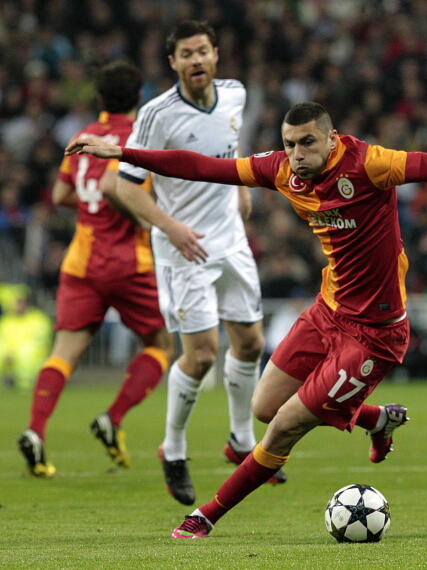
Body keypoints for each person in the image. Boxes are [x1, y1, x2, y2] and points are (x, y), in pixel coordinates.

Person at [66, 100, 427, 538]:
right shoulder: (281, 170)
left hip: (375, 335)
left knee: (282, 427)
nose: (297, 153)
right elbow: (201, 167)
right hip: (328, 311)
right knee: (263, 406)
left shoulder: (372, 164)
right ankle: (377, 418)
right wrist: (124, 153)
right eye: (289, 144)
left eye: (307, 143)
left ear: (331, 139)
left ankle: (206, 516)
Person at [114, 20, 282, 505]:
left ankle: (241, 440)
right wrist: (172, 228)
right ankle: (173, 448)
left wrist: (242, 187)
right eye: (186, 54)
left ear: (215, 54)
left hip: (230, 241)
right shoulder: (156, 114)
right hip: (182, 250)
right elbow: (126, 186)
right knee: (203, 353)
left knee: (250, 343)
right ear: (173, 63)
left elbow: (230, 147)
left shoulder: (235, 94)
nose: (196, 61)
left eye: (202, 51)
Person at [17, 60, 174, 478]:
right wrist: (145, 218)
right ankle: (113, 417)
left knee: (64, 352)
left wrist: (91, 207)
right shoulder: (138, 138)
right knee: (161, 345)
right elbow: (124, 190)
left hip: (81, 259)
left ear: (100, 98)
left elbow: (60, 194)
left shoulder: (82, 137)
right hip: (128, 260)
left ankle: (35, 430)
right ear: (138, 97)